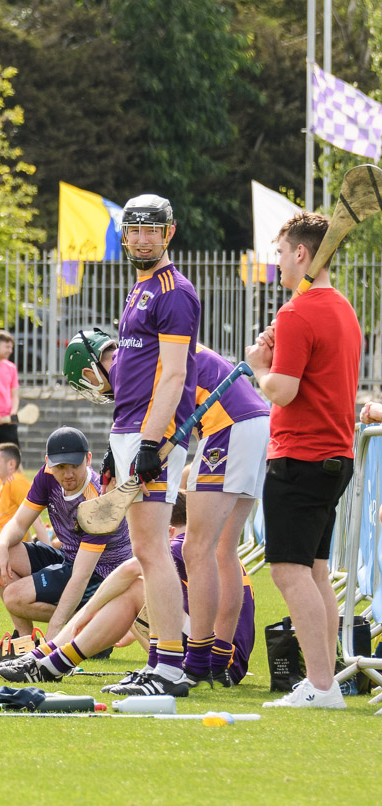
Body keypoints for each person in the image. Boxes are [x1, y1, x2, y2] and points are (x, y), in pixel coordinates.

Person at [65, 328, 268, 685]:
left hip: (225, 425)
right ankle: (218, 659)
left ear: (92, 368)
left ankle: (198, 663)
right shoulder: (143, 350)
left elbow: (152, 419)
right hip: (253, 418)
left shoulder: (128, 364)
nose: (96, 389)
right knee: (223, 550)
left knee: (197, 548)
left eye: (90, 381)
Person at [246, 210, 360, 709]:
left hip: (301, 456)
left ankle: (320, 684)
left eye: (280, 252)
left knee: (289, 572)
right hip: (334, 454)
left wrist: (259, 369)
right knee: (314, 571)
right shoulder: (343, 309)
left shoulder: (296, 312)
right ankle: (323, 681)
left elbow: (284, 392)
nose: (277, 263)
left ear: (301, 253)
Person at [0, 494, 256, 688]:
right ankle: (46, 658)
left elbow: (127, 571)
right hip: (222, 658)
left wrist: (87, 613)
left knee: (135, 587)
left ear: (168, 528)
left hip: (212, 662)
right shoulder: (205, 546)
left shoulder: (177, 545)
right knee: (137, 588)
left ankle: (50, 660)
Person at [99, 193, 200, 696]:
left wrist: (149, 442)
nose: (141, 238)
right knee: (145, 550)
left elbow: (176, 374)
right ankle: (162, 659)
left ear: (169, 233)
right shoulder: (139, 288)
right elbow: (135, 372)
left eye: (151, 230)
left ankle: (170, 668)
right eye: (134, 230)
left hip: (150, 433)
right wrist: (117, 438)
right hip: (131, 428)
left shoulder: (174, 292)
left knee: (152, 550)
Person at [0, 427, 133, 643]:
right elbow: (18, 522)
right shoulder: (46, 476)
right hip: (69, 558)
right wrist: (0, 545)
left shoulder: (98, 500)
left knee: (14, 597)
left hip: (101, 573)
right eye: (61, 467)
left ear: (88, 459)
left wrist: (54, 634)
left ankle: (87, 627)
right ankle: (24, 645)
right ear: (48, 462)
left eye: (75, 465)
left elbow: (81, 574)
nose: (68, 473)